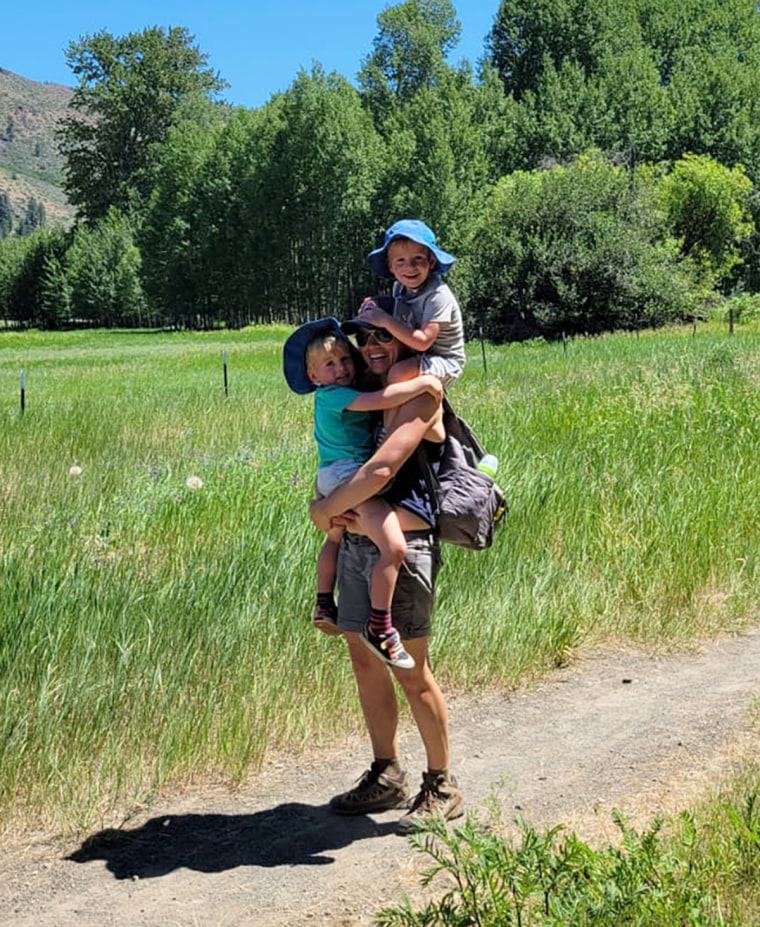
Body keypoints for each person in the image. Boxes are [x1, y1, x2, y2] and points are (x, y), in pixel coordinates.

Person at [309, 315, 463, 833]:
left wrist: (323, 510)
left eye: (385, 336)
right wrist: (331, 513)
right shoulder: (364, 392)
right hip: (359, 541)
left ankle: (442, 783)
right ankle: (386, 773)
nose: (373, 345)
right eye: (366, 337)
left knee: (411, 671)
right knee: (365, 661)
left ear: (409, 341)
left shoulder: (421, 396)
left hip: (405, 547)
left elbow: (380, 472)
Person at [283, 317, 443, 671]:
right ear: (313, 377)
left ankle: (324, 603)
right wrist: (425, 384)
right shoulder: (336, 396)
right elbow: (379, 399)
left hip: (331, 476)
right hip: (347, 477)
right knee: (395, 547)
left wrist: (322, 509)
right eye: (330, 364)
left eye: (344, 360)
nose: (340, 369)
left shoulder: (332, 393)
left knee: (334, 537)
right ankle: (380, 627)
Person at [358, 219, 465, 389]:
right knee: (372, 371)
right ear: (390, 266)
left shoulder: (437, 295)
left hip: (444, 360)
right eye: (400, 260)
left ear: (431, 262)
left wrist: (385, 320)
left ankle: (398, 413)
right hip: (417, 354)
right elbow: (399, 316)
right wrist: (374, 306)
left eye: (418, 259)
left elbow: (423, 341)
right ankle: (382, 413)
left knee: (397, 374)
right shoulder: (399, 287)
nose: (410, 267)